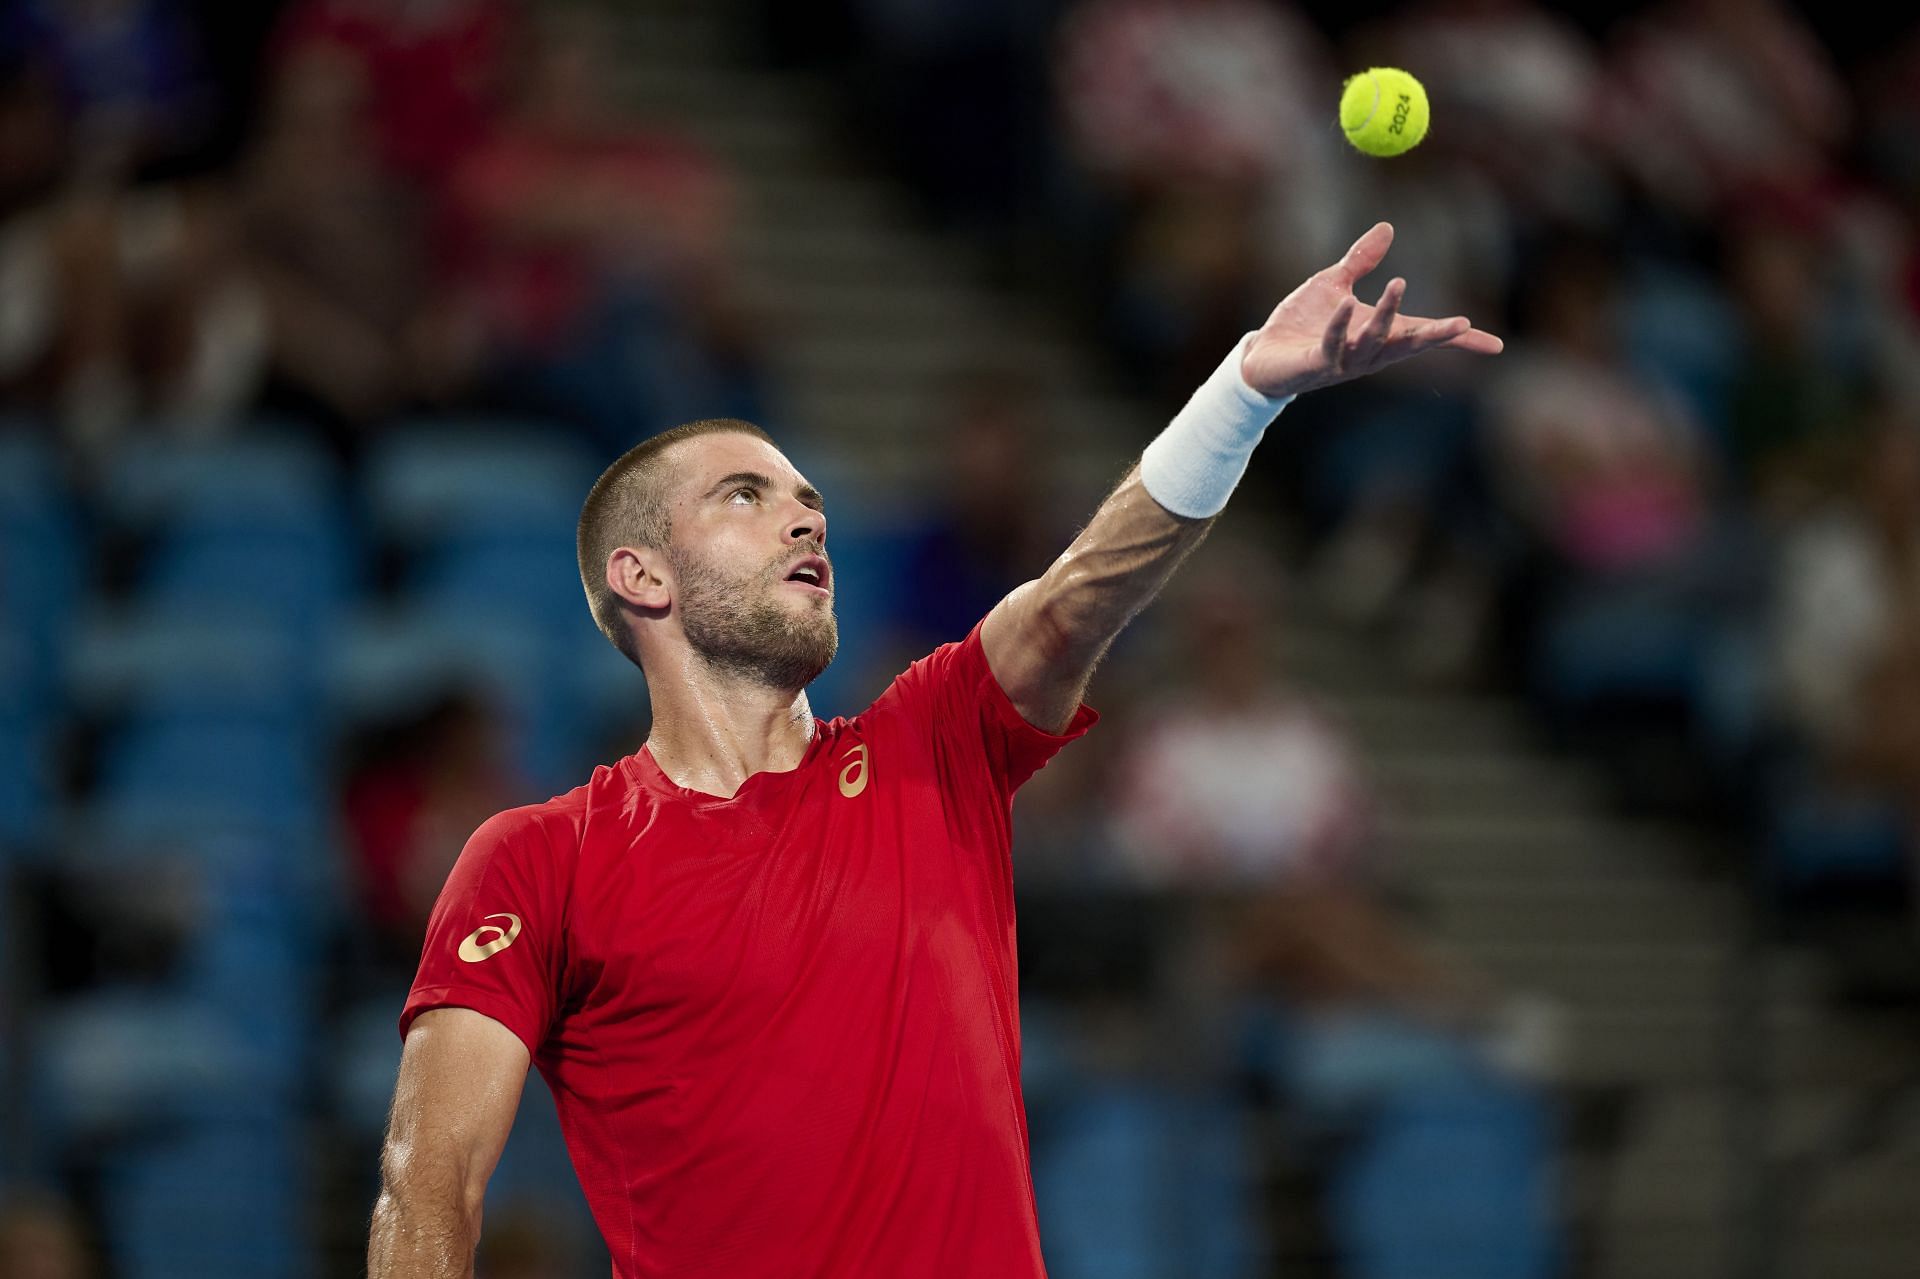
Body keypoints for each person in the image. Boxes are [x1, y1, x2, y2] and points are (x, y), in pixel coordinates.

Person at [367, 221, 1502, 1278]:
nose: (805, 517)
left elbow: (1072, 600)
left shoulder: (929, 744)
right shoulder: (537, 860)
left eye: (809, 498)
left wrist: (1242, 391)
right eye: (746, 496)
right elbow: (429, 1188)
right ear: (643, 577)